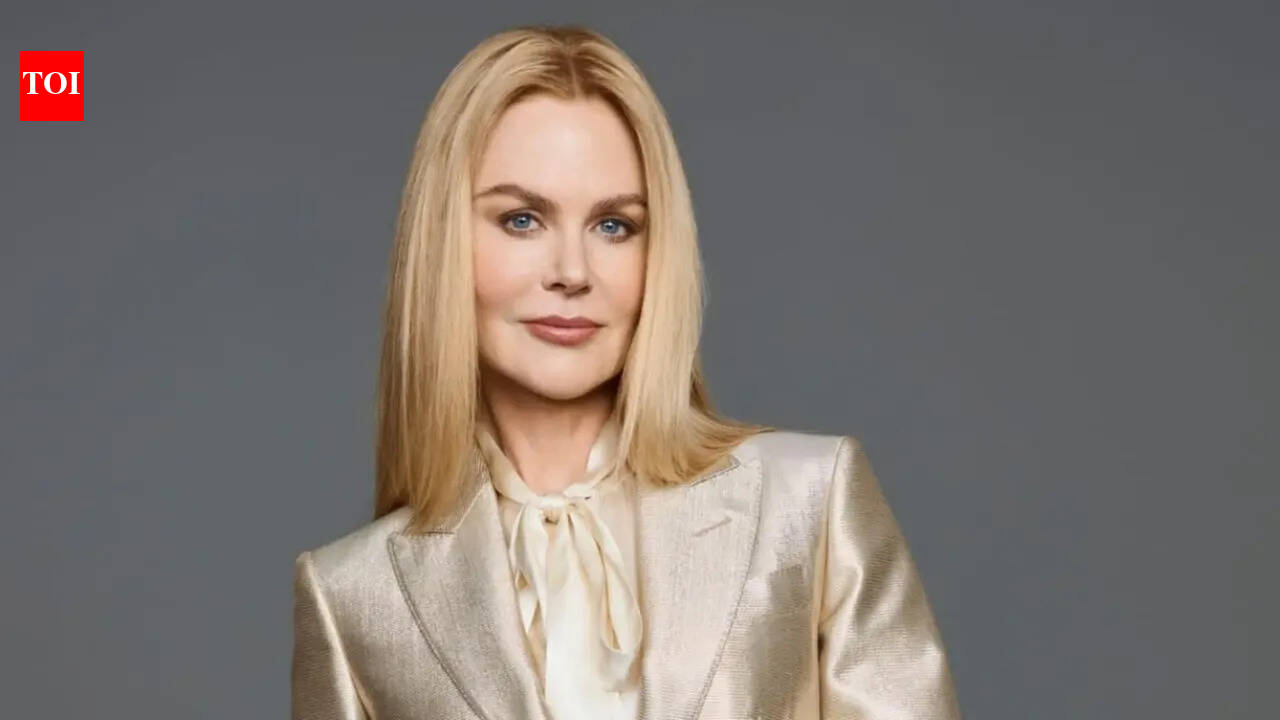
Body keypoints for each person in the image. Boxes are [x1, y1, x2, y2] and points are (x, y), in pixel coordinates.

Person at [291, 24, 961, 720]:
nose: (572, 272)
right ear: (442, 244)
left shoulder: (808, 504)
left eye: (614, 225)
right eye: (521, 220)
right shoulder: (352, 596)